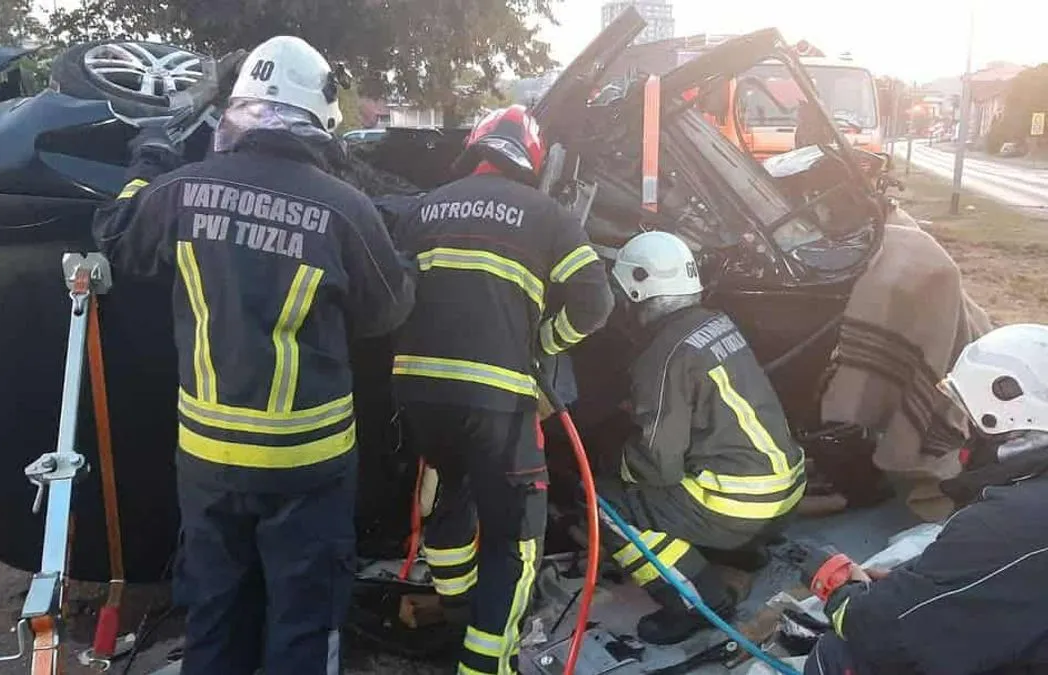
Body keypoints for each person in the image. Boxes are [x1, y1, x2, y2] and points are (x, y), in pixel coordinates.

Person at [91, 36, 415, 675]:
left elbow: (115, 238)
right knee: (302, 619)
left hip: (209, 458)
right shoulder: (343, 208)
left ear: (239, 110)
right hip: (307, 460)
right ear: (321, 120)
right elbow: (386, 313)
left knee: (214, 613)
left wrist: (147, 165)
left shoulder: (179, 192)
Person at [392, 105, 614, 675]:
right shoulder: (549, 214)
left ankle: (458, 606)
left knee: (449, 493)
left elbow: (390, 292)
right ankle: (485, 664)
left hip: (416, 394)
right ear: (531, 160)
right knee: (516, 538)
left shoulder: (421, 208)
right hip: (498, 401)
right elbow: (596, 303)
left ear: (476, 148)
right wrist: (544, 342)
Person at [594, 231, 806, 645]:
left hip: (742, 504)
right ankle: (739, 550)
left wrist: (609, 458)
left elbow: (657, 467)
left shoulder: (662, 356)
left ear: (637, 289)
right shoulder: (715, 323)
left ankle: (694, 600)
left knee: (605, 502)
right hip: (785, 492)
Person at [806, 323, 1048, 675]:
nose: (963, 431)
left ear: (1007, 418)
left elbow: (887, 633)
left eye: (969, 418)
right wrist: (921, 587)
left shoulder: (1006, 522)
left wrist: (844, 593)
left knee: (839, 655)